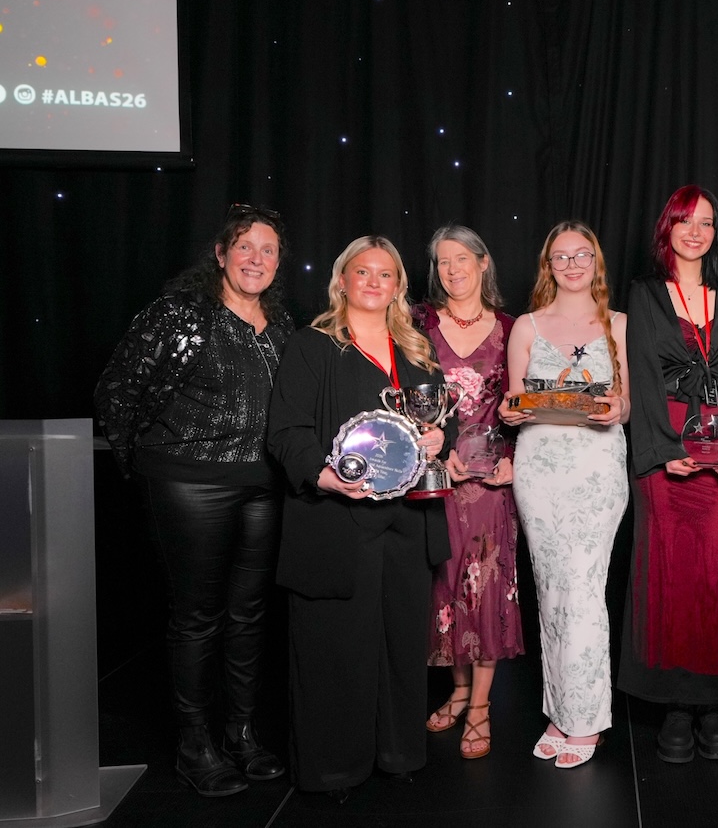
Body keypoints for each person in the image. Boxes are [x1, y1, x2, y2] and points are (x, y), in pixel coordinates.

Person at [94, 204, 292, 797]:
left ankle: (241, 733)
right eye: (245, 247)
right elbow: (117, 392)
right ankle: (194, 743)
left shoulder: (280, 324)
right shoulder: (180, 314)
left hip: (262, 485)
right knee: (198, 615)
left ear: (278, 263)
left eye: (268, 250)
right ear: (221, 253)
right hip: (190, 485)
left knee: (249, 613)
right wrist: (152, 467)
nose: (256, 259)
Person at [267, 236, 454, 801]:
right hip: (335, 521)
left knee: (400, 644)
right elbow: (286, 431)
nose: (374, 282)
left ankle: (398, 752)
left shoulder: (417, 350)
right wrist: (321, 475)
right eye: (362, 272)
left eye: (386, 274)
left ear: (399, 284)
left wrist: (442, 436)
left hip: (407, 521)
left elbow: (442, 422)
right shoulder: (311, 346)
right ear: (341, 280)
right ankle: (335, 768)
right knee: (334, 648)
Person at [618, 186, 718, 763]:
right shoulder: (646, 295)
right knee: (667, 575)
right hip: (665, 449)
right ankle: (675, 704)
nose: (696, 231)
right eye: (685, 221)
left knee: (714, 574)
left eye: (706, 222)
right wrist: (662, 447)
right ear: (667, 227)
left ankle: (712, 702)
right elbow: (644, 378)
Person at [499, 221, 629, 769]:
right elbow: (514, 400)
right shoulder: (526, 325)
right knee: (551, 590)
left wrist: (612, 409)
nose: (571, 264)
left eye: (581, 255)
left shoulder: (618, 323)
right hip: (539, 469)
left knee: (581, 589)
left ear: (595, 261)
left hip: (596, 468)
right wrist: (510, 411)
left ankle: (587, 719)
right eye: (560, 257)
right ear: (547, 266)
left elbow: (623, 404)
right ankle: (560, 711)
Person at [414, 224, 523, 760]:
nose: (452, 270)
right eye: (442, 262)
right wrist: (434, 453)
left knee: (484, 590)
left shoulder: (512, 327)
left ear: (483, 263)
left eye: (462, 259)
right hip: (437, 480)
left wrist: (517, 465)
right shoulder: (416, 324)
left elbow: (533, 407)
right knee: (445, 588)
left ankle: (479, 706)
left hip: (490, 485)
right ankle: (457, 691)